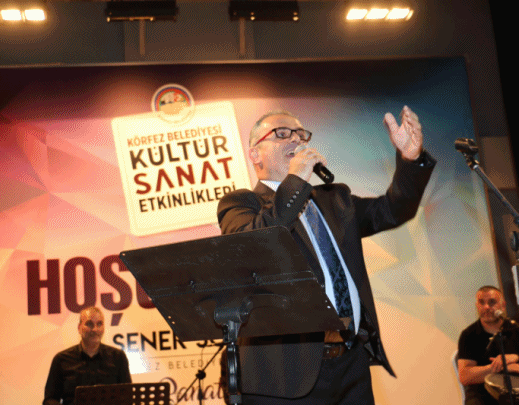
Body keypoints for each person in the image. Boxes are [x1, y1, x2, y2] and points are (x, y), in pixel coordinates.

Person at [217, 106, 435, 405]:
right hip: (284, 373)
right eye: (282, 133)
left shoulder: (335, 200)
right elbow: (252, 246)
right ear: (255, 154)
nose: (295, 139)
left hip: (350, 364)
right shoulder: (241, 203)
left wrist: (410, 159)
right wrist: (296, 181)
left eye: (301, 134)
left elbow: (393, 210)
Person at [43, 306, 132, 405]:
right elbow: (50, 400)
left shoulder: (118, 357)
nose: (95, 329)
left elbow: (127, 397)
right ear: (79, 328)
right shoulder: (61, 360)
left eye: (99, 324)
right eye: (89, 324)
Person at [457, 286, 519, 405]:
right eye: (481, 302)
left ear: (503, 306)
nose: (486, 307)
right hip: (482, 394)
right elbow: (465, 377)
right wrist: (501, 366)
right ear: (477, 306)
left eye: (492, 302)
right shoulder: (468, 335)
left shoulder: (515, 328)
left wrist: (515, 357)